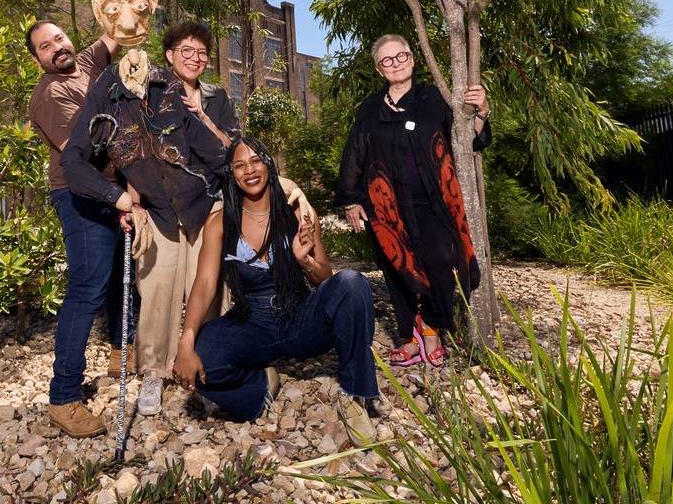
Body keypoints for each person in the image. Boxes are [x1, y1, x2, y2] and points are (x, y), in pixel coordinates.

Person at [62, 0, 228, 419]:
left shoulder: (170, 84)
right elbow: (75, 161)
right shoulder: (106, 88)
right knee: (154, 292)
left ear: (150, 10)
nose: (129, 19)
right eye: (115, 10)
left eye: (137, 8)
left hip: (203, 207)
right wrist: (118, 197)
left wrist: (278, 186)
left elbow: (221, 156)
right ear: (101, 16)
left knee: (207, 290)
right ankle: (154, 371)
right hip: (155, 215)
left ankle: (208, 368)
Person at [172, 136, 379, 446]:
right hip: (252, 323)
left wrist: (304, 260)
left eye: (256, 161)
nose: (249, 170)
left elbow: (326, 278)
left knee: (352, 282)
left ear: (269, 164)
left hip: (299, 319)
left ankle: (355, 394)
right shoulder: (219, 223)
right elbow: (204, 284)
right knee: (204, 358)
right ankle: (260, 386)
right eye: (240, 165)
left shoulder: (298, 214)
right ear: (232, 173)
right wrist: (186, 342)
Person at [335, 34, 491, 368]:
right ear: (379, 70)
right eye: (386, 60)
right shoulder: (370, 108)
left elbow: (466, 143)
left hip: (433, 200)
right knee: (396, 268)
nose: (395, 64)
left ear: (412, 59)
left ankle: (431, 327)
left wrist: (481, 111)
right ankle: (408, 337)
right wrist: (350, 199)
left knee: (441, 261)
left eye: (401, 56)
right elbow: (355, 152)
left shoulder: (434, 98)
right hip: (385, 203)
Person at [26, 18, 135, 439]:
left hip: (111, 189)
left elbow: (118, 33)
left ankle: (119, 353)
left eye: (58, 38)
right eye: (45, 47)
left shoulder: (87, 60)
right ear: (38, 60)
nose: (56, 47)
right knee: (87, 287)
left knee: (118, 277)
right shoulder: (51, 95)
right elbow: (89, 147)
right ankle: (64, 396)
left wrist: (135, 7)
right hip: (79, 195)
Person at [162, 21, 240, 147]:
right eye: (186, 50)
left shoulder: (220, 97)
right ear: (170, 56)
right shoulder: (155, 92)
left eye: (202, 53)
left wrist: (204, 119)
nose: (196, 58)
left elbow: (233, 148)